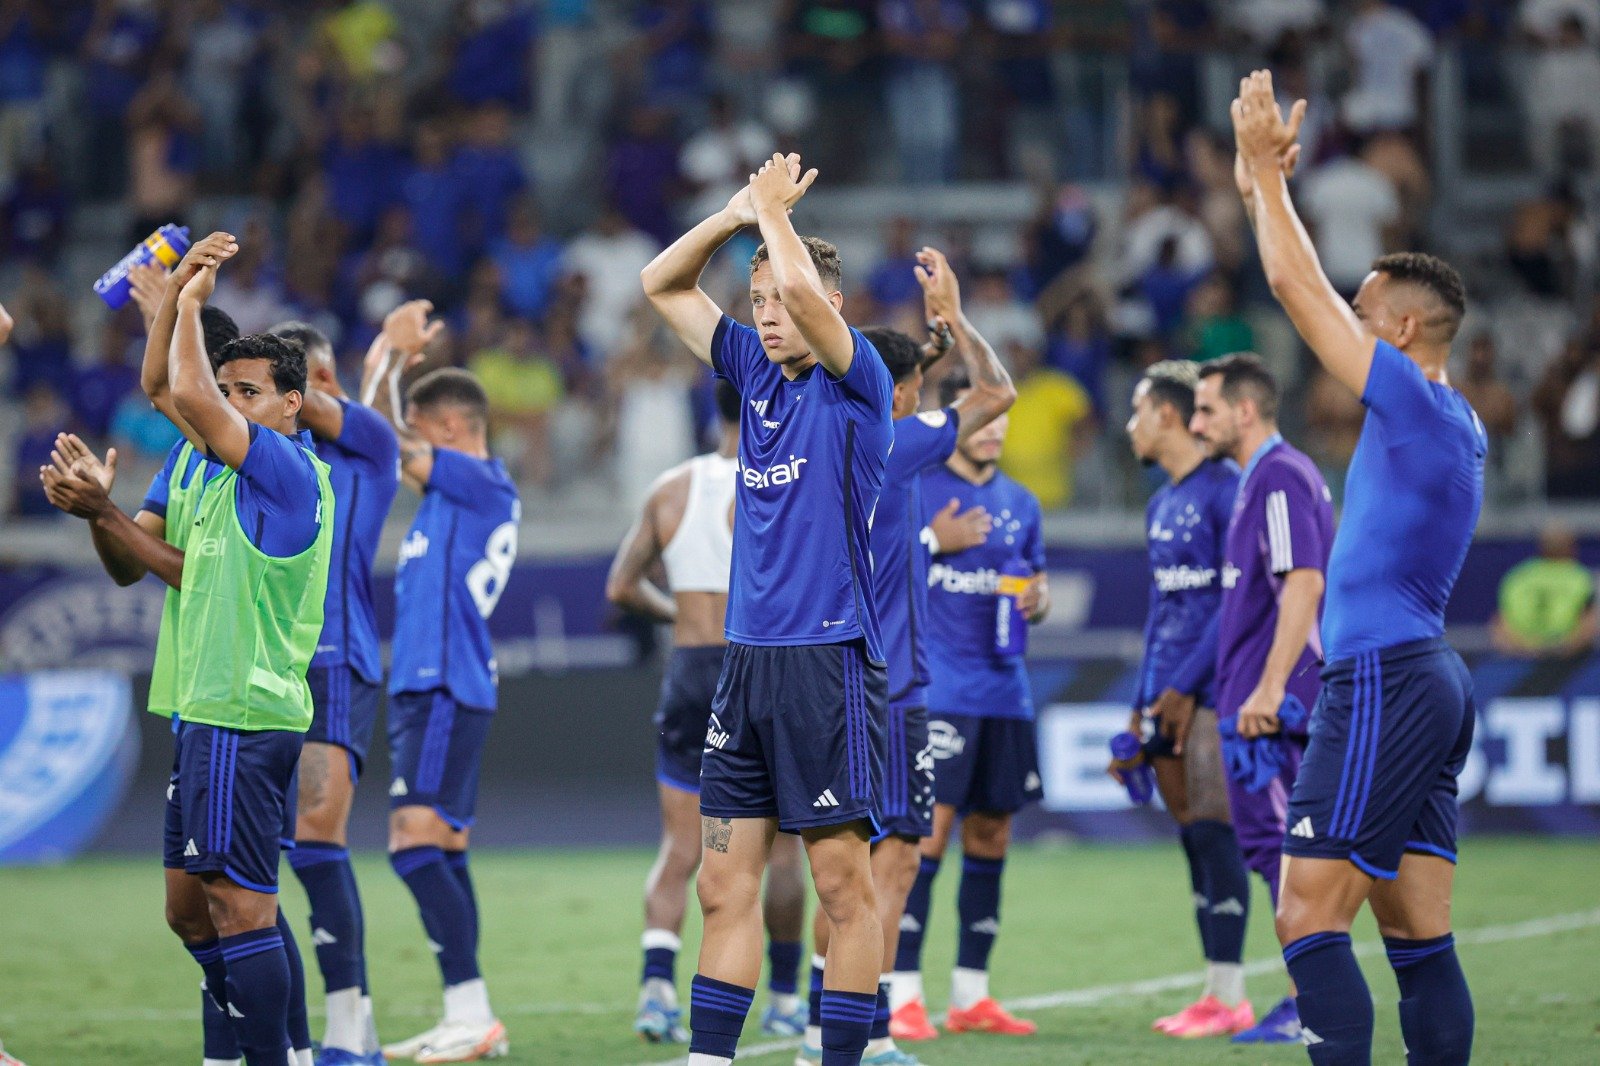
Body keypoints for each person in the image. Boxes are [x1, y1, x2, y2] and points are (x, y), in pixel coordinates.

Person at [1235, 69, 1485, 1064]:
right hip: (1422, 677)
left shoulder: (1419, 404)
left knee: (1304, 914)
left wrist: (1261, 171)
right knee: (1419, 939)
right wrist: (1262, 194)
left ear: (1403, 329)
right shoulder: (1442, 418)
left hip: (1383, 678)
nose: (1348, 312)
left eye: (1363, 305)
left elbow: (1295, 292)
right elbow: (1300, 285)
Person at [44, 234, 334, 1066]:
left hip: (244, 711)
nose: (232, 404)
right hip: (207, 708)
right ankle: (257, 1044)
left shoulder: (284, 470)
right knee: (192, 910)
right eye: (229, 389)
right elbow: (161, 389)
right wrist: (102, 512)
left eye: (251, 392)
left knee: (241, 910)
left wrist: (191, 301)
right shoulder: (210, 468)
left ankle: (272, 1056)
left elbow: (184, 392)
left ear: (290, 406)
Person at [640, 152, 894, 1066]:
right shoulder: (751, 371)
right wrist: (736, 216)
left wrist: (778, 224)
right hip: (743, 664)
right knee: (721, 884)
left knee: (839, 884)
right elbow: (660, 283)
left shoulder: (857, 382)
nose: (768, 317)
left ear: (825, 307)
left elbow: (808, 300)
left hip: (826, 661)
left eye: (784, 303)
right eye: (758, 306)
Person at [801, 248, 1017, 1063]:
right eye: (920, 388)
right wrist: (956, 322)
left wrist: (921, 344)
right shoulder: (901, 438)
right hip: (893, 689)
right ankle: (870, 1035)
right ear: (899, 397)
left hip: (829, 675)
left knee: (842, 871)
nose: (926, 397)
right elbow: (996, 393)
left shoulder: (826, 430)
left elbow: (884, 370)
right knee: (887, 874)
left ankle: (825, 1029)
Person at [605, 380, 811, 1045]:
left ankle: (656, 991)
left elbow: (620, 586)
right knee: (781, 856)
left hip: (691, 671)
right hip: (761, 671)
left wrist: (680, 616)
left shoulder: (672, 488)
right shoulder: (784, 480)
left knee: (680, 848)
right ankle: (783, 998)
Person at [365, 307, 520, 1064]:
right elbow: (393, 446)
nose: (412, 449)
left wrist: (386, 361)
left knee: (413, 844)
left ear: (451, 429)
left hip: (444, 684)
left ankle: (471, 1010)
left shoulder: (481, 481)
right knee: (444, 848)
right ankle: (469, 1013)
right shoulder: (448, 499)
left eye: (423, 433)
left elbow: (381, 440)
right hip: (436, 685)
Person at [889, 371, 1048, 1042]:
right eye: (985, 419)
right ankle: (901, 994)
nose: (998, 430)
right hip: (940, 693)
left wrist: (1038, 602)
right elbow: (877, 573)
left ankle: (972, 995)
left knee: (992, 837)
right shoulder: (914, 488)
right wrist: (935, 546)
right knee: (926, 839)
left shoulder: (1022, 502)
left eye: (1004, 420)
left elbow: (1032, 581)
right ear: (955, 421)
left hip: (1006, 693)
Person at [1191, 353, 1334, 1043]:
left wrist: (1271, 688)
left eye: (1206, 409)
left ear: (1245, 410)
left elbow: (1303, 583)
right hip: (1257, 703)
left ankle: (1310, 1002)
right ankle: (1308, 998)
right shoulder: (1261, 479)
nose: (1196, 423)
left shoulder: (1277, 476)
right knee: (1275, 853)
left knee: (1286, 854)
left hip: (1272, 708)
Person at [269, 318, 400, 1066]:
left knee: (319, 837)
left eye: (306, 384)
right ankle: (292, 1033)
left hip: (334, 660)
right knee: (261, 852)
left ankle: (350, 1027)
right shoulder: (265, 456)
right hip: (265, 666)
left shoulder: (370, 446)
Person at [1118, 360, 1258, 1040]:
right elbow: (1163, 607)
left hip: (1212, 691)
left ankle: (1234, 995)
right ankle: (1216, 991)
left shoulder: (1225, 490)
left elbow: (1235, 600)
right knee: (1194, 843)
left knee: (1216, 832)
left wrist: (1184, 685)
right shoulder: (1161, 501)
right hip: (1168, 694)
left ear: (1168, 415)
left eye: (1138, 411)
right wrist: (1142, 698)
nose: (1130, 426)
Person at [1491, 522, 1598, 657]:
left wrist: (1527, 649)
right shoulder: (1579, 577)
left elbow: (1500, 625)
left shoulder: (1518, 576)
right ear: (1572, 548)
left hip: (1521, 657)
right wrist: (1561, 649)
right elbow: (1590, 623)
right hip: (1568, 662)